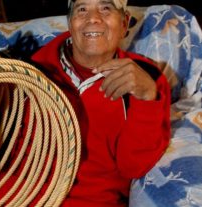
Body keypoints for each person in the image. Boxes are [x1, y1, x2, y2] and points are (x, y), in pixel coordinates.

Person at [28, 0, 171, 206]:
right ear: (70, 23)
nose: (93, 18)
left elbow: (134, 167)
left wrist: (146, 97)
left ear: (124, 23)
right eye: (82, 9)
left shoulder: (147, 79)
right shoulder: (29, 71)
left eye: (106, 8)